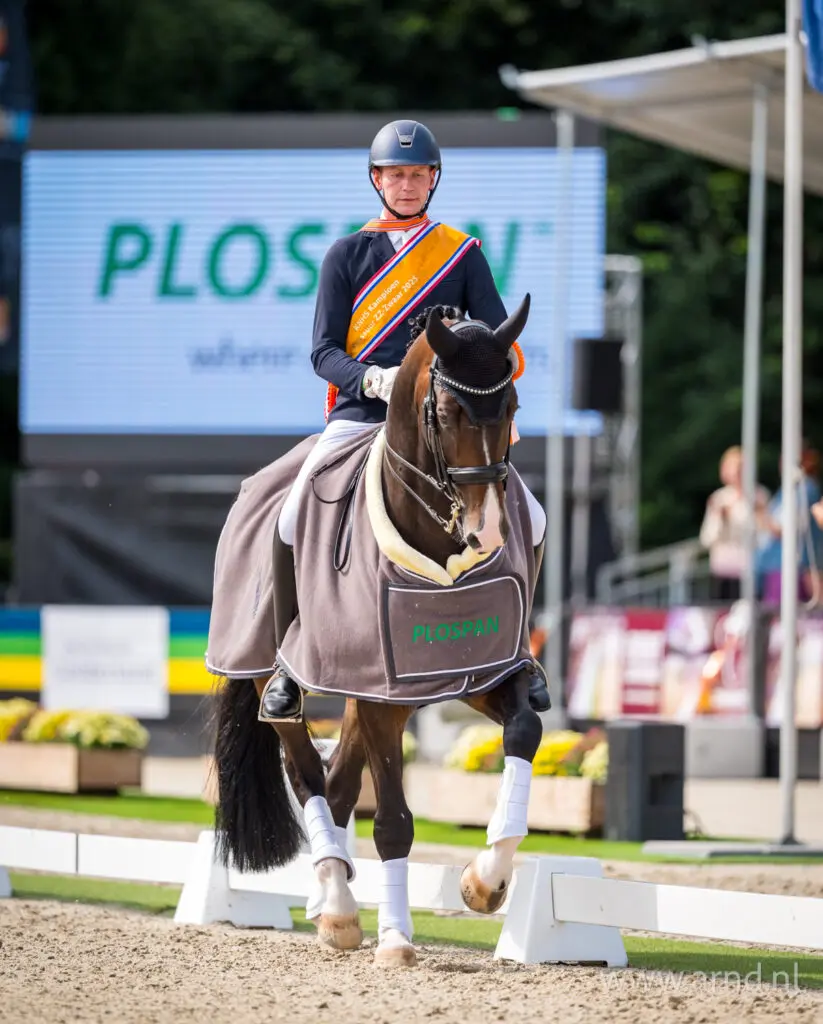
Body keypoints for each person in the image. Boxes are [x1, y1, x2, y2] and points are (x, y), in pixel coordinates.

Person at [260, 118, 549, 721]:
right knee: (290, 518)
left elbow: (497, 337)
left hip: (444, 425)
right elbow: (322, 353)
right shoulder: (346, 254)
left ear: (433, 179)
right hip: (363, 414)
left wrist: (492, 391)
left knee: (536, 518)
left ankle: (519, 650)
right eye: (397, 175)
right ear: (377, 180)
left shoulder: (461, 252)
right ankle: (290, 657)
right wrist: (373, 378)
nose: (408, 184)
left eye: (418, 175)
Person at [698, 445, 770, 602]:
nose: (738, 472)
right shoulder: (719, 498)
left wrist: (758, 513)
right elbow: (707, 538)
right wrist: (720, 518)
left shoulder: (760, 496)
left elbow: (764, 535)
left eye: (742, 467)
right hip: (723, 569)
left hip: (751, 568)